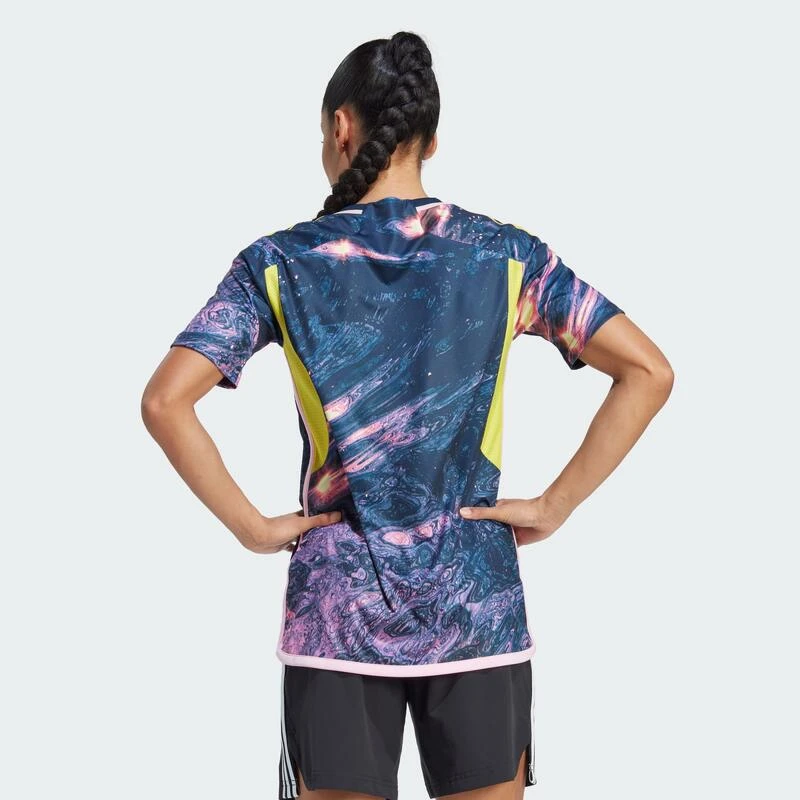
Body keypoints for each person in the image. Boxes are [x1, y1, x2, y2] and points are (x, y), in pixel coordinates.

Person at [141, 30, 673, 800]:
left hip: (338, 613)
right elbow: (648, 371)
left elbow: (165, 400)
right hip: (475, 604)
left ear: (341, 128)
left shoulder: (278, 263)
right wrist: (555, 506)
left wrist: (252, 528)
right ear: (431, 139)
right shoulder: (506, 254)